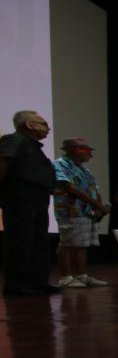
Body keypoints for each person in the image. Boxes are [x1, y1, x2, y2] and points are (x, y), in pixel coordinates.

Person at [0, 111, 61, 295]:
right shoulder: (13, 140)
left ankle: (38, 282)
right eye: (43, 123)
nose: (48, 128)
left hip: (38, 200)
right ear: (29, 124)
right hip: (20, 199)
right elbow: (2, 165)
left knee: (39, 240)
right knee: (21, 241)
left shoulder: (34, 147)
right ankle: (18, 285)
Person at [52, 138, 110, 288]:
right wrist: (98, 205)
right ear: (74, 150)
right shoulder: (59, 164)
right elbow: (69, 187)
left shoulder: (84, 169)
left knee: (81, 245)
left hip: (86, 212)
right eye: (87, 150)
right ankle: (66, 278)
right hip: (70, 211)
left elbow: (94, 189)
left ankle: (81, 276)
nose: (90, 154)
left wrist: (98, 208)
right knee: (67, 243)